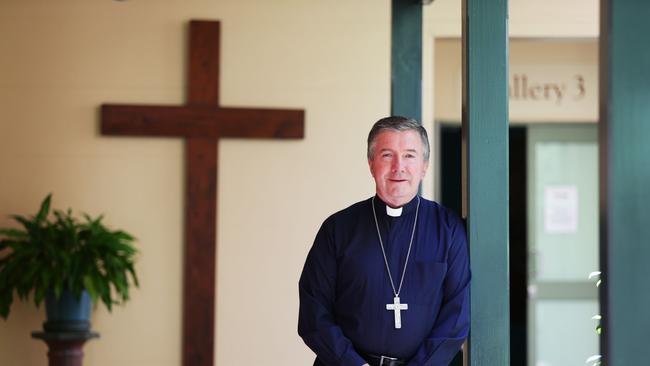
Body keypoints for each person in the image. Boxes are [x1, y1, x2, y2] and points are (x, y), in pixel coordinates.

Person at [298, 116, 471, 366]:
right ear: (371, 164)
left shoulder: (449, 229)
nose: (398, 167)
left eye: (410, 155)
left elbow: (456, 317)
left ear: (424, 166)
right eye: (387, 155)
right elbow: (314, 313)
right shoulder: (337, 229)